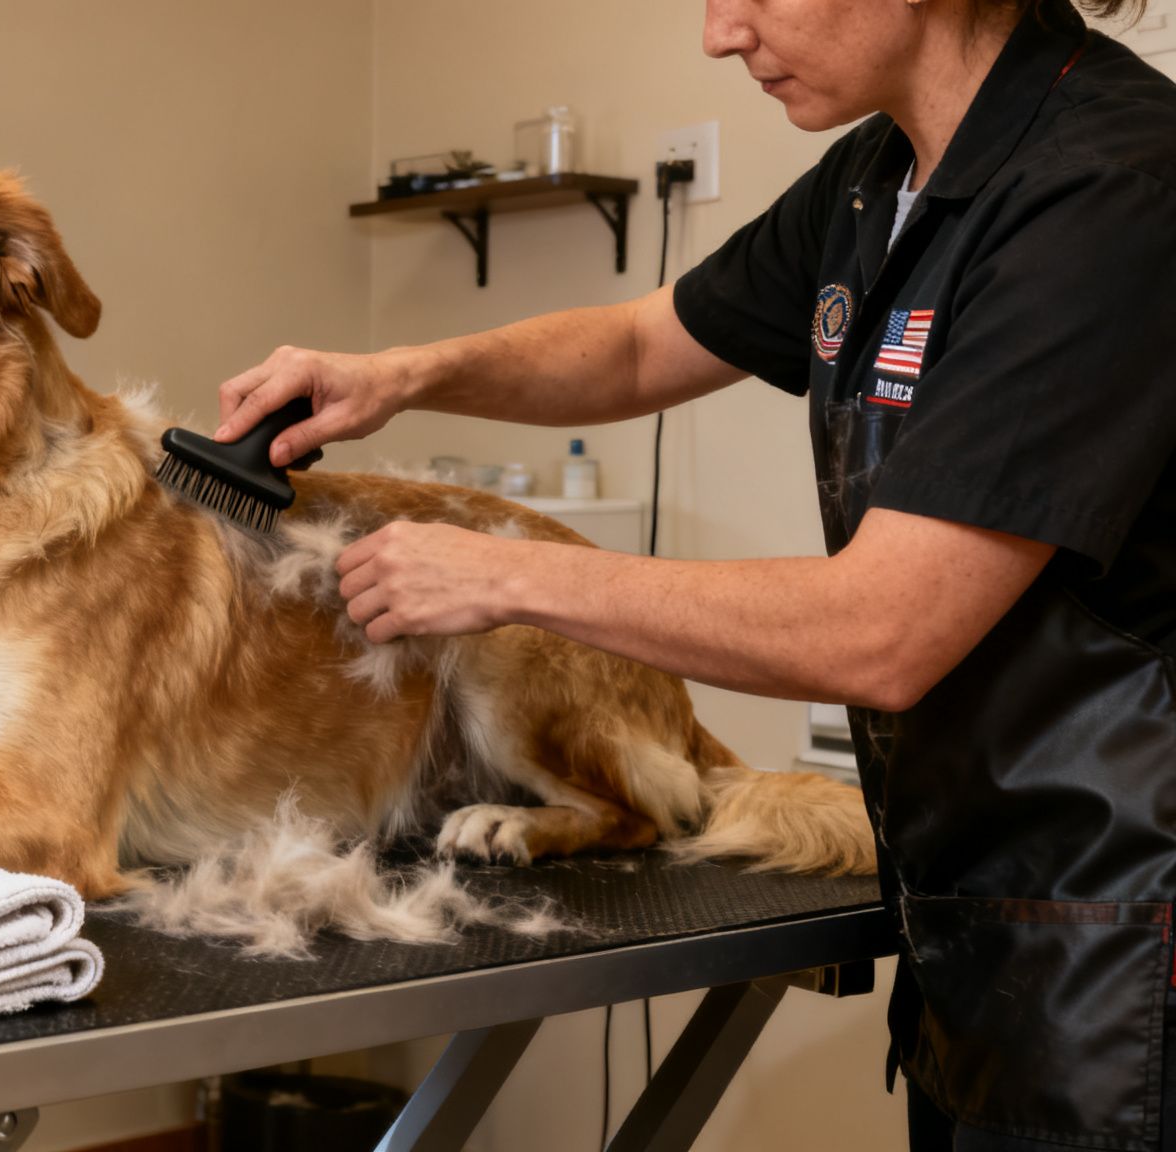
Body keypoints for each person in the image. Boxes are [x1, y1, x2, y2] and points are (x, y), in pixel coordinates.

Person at [215, 0, 1176, 1147]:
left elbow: (878, 631)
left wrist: (504, 577)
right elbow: (635, 344)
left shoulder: (1110, 191)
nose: (720, 32)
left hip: (1128, 940)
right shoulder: (879, 182)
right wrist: (399, 374)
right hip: (984, 926)